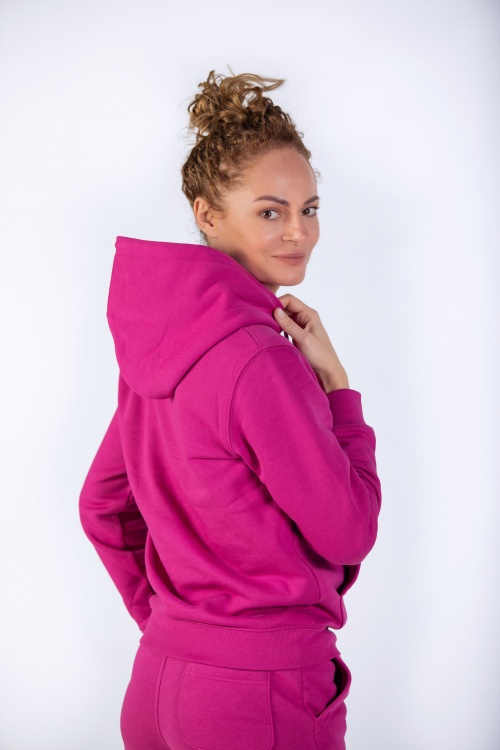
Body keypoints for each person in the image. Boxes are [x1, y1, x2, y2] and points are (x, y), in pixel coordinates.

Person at [79, 70, 382, 750]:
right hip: (257, 694)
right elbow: (349, 530)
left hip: (159, 682)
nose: (299, 232)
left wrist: (176, 627)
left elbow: (102, 503)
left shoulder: (162, 348)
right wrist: (338, 389)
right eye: (270, 212)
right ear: (207, 215)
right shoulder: (260, 359)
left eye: (309, 208)